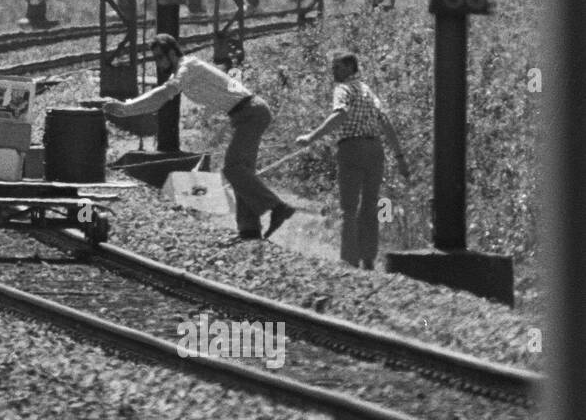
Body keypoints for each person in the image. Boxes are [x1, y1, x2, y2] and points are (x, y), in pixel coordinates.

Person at [103, 34, 296, 241]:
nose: (158, 63)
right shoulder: (182, 73)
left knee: (234, 169)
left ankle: (277, 207)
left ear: (171, 53)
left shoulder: (189, 66)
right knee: (242, 172)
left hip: (252, 112)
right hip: (244, 115)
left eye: (159, 57)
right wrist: (126, 110)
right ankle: (249, 231)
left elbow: (164, 93)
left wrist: (126, 107)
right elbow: (158, 100)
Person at [295, 50, 411, 270]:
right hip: (375, 150)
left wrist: (311, 137)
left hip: (352, 149)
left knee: (349, 208)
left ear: (349, 67)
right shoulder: (368, 91)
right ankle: (368, 258)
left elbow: (340, 114)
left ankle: (349, 262)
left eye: (337, 67)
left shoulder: (343, 89)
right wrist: (399, 157)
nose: (333, 71)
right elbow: (385, 123)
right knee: (370, 205)